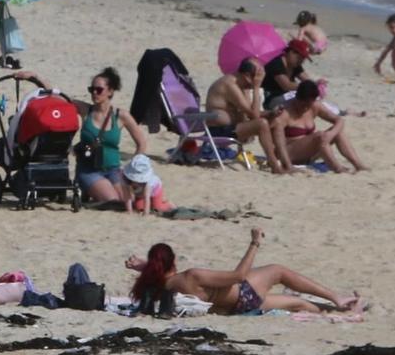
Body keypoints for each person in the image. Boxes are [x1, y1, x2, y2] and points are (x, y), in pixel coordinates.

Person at [127, 230, 362, 316]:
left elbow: (156, 274)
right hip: (246, 294)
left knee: (296, 303)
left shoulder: (160, 288)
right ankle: (336, 298)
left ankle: (342, 313)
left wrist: (143, 266)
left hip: (234, 308)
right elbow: (239, 276)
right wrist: (254, 243)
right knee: (278, 271)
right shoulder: (192, 276)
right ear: (173, 261)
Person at [69, 67, 147, 204]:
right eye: (91, 89)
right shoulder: (86, 111)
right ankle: (89, 188)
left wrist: (132, 169)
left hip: (113, 170)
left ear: (110, 91)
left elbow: (141, 143)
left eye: (99, 90)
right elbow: (61, 98)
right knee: (113, 201)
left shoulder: (121, 116)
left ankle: (97, 190)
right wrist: (36, 78)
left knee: (129, 201)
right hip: (89, 170)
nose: (94, 92)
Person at [204, 58, 290, 174]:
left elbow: (252, 112)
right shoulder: (230, 84)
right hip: (218, 130)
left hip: (235, 128)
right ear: (247, 75)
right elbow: (254, 116)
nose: (257, 82)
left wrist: (271, 113)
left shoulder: (242, 86)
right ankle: (275, 166)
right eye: (257, 78)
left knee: (276, 121)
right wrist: (255, 88)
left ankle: (286, 163)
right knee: (262, 124)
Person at [271, 81, 367, 172]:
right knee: (320, 136)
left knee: (338, 133)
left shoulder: (315, 106)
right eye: (303, 104)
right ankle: (337, 168)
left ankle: (358, 165)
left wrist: (331, 134)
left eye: (308, 105)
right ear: (297, 97)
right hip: (289, 154)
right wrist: (288, 165)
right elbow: (279, 144)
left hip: (308, 153)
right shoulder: (284, 113)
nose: (305, 108)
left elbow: (339, 120)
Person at [262, 38, 313, 108]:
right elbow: (286, 85)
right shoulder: (276, 63)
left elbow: (307, 80)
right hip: (270, 97)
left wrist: (316, 84)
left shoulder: (294, 64)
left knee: (311, 99)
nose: (301, 61)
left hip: (284, 95)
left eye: (303, 58)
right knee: (300, 102)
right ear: (291, 52)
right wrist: (307, 87)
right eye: (299, 57)